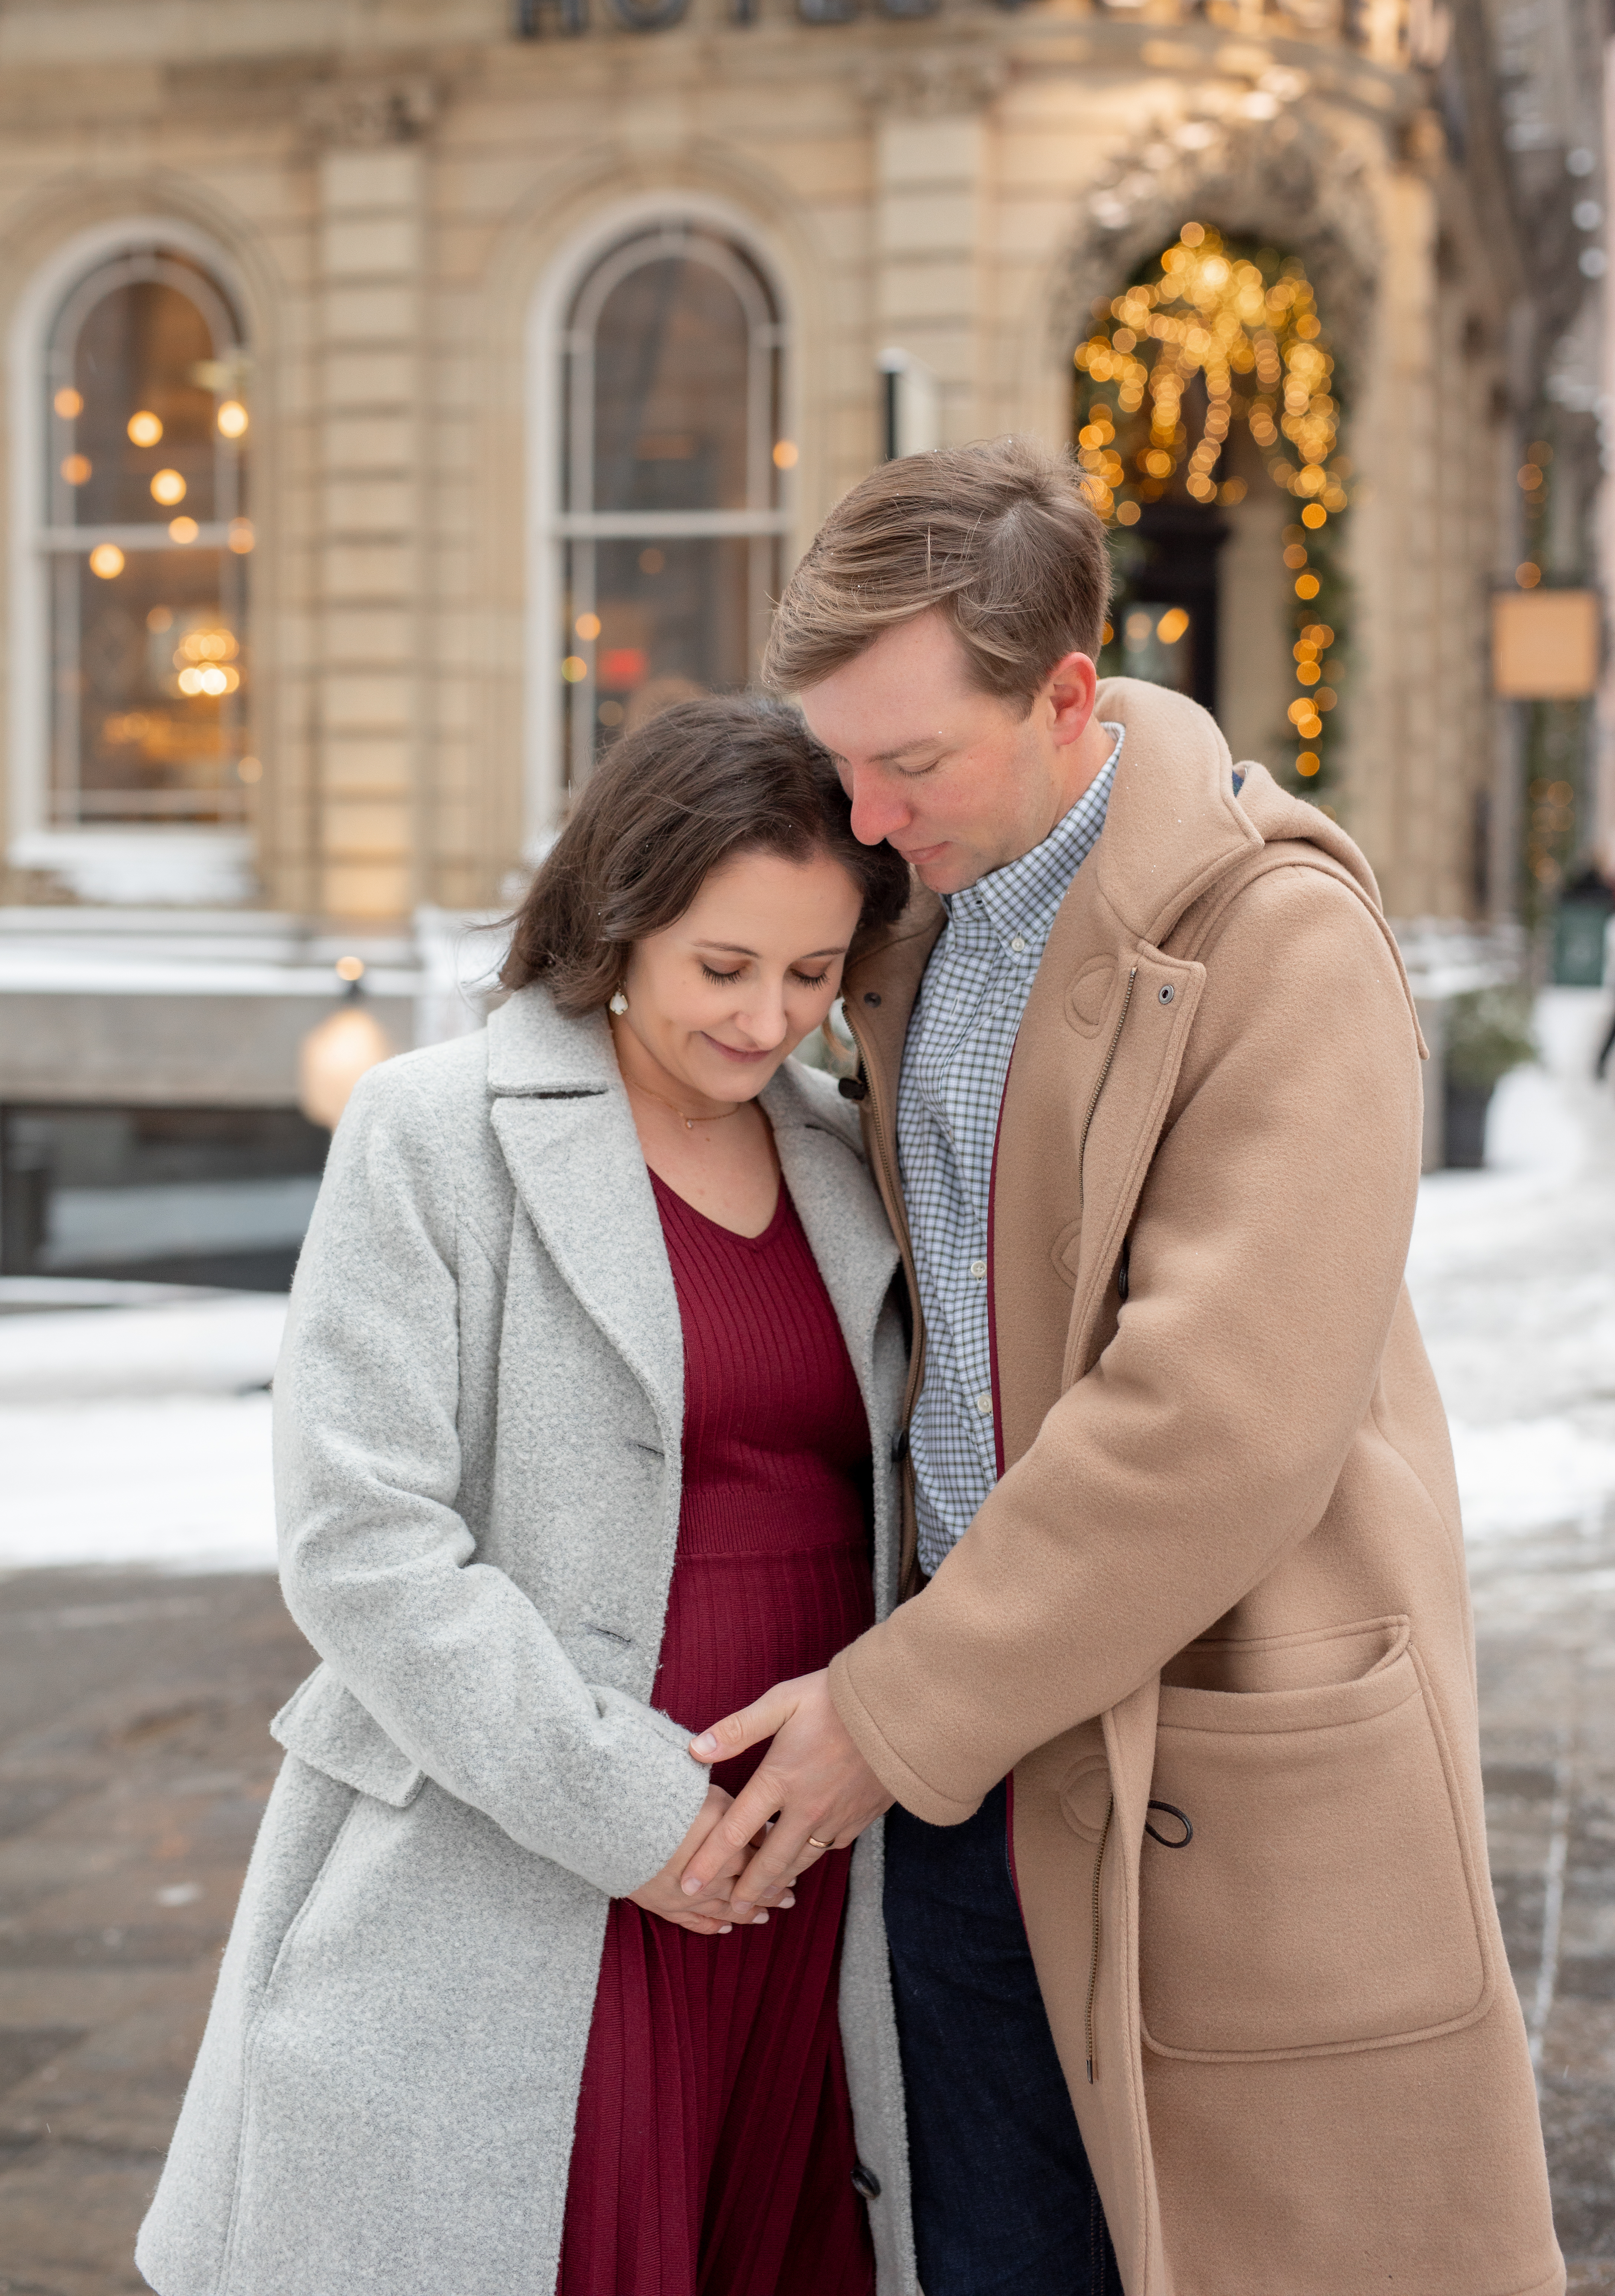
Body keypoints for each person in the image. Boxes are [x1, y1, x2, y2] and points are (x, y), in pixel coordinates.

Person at [675, 439, 1565, 2296]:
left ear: (1067, 693)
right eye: (838, 754)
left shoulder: (1281, 945)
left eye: (909, 761)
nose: (864, 806)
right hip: (965, 1767)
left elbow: (1211, 1425)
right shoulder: (904, 914)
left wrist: (894, 1706)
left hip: (1199, 1755)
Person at [135, 700, 919, 2296]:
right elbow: (363, 1542)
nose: (770, 1017)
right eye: (724, 966)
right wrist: (635, 1815)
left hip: (811, 1855)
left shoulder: (845, 1155)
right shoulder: (434, 1131)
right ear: (621, 910)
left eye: (813, 972)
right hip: (531, 1841)